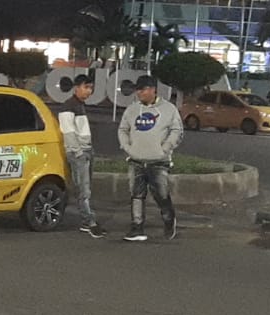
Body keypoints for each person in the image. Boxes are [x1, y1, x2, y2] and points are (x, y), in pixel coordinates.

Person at [118, 74, 183, 242]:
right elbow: (123, 129)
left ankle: (169, 220)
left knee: (161, 194)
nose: (139, 93)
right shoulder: (132, 109)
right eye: (137, 90)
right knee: (136, 195)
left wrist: (165, 148)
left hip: (159, 161)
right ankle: (137, 227)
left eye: (142, 89)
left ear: (153, 90)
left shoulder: (168, 109)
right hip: (136, 159)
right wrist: (127, 147)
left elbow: (177, 130)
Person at [56, 75, 106, 238]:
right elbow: (68, 132)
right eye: (86, 87)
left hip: (86, 151)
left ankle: (88, 220)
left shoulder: (79, 105)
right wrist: (78, 152)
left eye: (91, 88)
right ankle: (89, 222)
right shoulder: (68, 107)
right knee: (83, 189)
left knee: (86, 188)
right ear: (76, 87)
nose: (89, 91)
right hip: (78, 153)